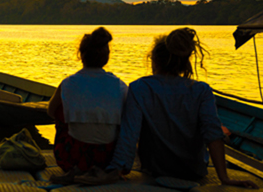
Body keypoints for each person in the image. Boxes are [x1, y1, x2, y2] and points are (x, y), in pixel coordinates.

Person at [105, 28, 258, 188]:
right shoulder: (202, 90)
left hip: (155, 168)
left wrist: (118, 169)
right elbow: (213, 135)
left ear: (155, 60)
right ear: (185, 62)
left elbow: (130, 134)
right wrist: (224, 178)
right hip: (193, 171)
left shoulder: (140, 88)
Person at [47, 27, 128, 183]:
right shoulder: (120, 86)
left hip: (71, 158)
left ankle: (79, 169)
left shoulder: (68, 83)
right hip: (107, 159)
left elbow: (51, 111)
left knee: (60, 112)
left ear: (81, 56)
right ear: (106, 57)